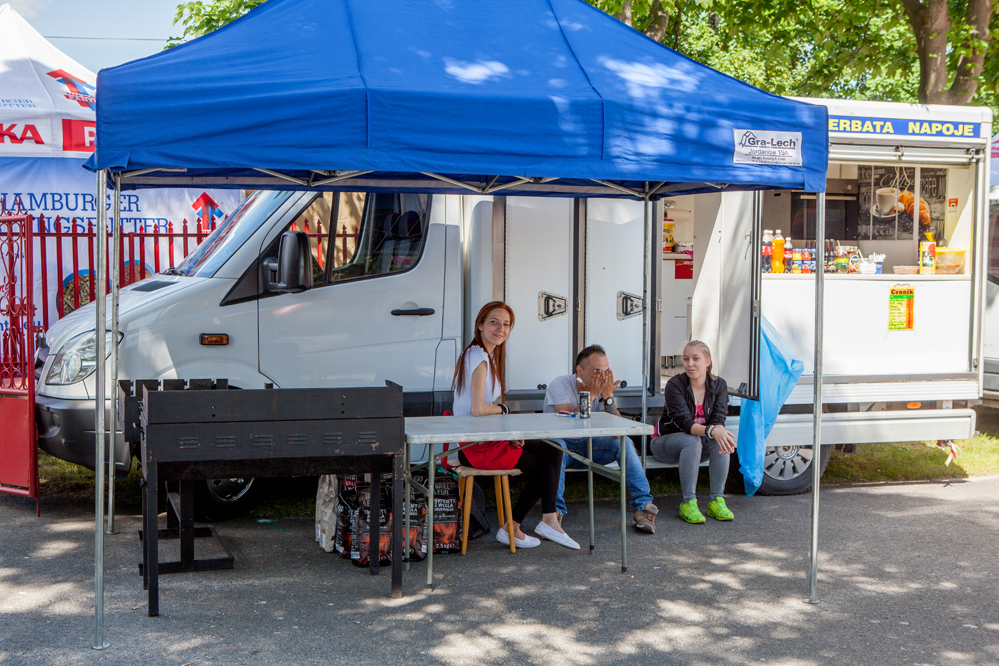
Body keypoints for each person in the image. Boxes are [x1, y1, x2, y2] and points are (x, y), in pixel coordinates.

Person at [452, 301, 580, 550]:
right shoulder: (479, 357)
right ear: (480, 325)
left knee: (552, 452)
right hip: (476, 447)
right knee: (548, 461)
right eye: (494, 322)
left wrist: (509, 432)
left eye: (506, 324)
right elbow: (478, 409)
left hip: (484, 439)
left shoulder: (480, 354)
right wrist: (504, 410)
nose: (500, 329)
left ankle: (532, 523)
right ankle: (531, 523)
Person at [543, 344, 659, 534]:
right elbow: (567, 428)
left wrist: (608, 398)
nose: (603, 377)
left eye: (606, 371)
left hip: (590, 445)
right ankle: (554, 513)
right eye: (597, 371)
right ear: (579, 370)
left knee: (624, 443)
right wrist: (591, 395)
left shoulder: (603, 390)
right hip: (563, 446)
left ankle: (644, 507)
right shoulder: (560, 385)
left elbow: (617, 433)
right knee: (557, 446)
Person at [650, 340, 737, 523]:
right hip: (665, 443)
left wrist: (719, 431)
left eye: (696, 359)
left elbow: (719, 418)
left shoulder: (719, 385)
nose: (690, 364)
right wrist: (713, 430)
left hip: (697, 446)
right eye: (686, 359)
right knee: (693, 439)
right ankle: (688, 503)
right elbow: (685, 424)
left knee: (721, 438)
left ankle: (717, 501)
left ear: (708, 362)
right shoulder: (675, 385)